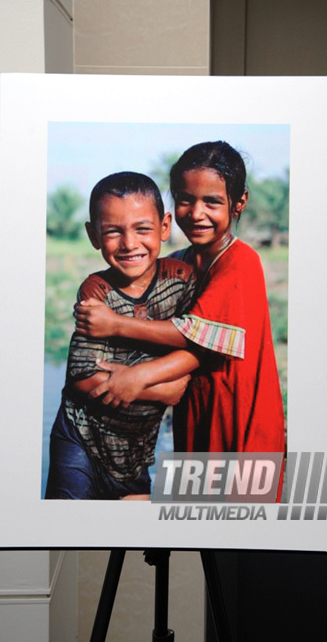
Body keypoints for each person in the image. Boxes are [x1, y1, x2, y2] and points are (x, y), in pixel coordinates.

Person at [75, 142, 285, 463]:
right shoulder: (180, 263)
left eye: (212, 202)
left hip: (237, 416)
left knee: (240, 504)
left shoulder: (241, 262)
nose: (197, 213)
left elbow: (195, 337)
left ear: (239, 202)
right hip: (196, 413)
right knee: (196, 505)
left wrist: (122, 339)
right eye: (186, 200)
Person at [45, 171, 199, 500]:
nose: (129, 244)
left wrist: (137, 377)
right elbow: (82, 378)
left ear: (164, 226)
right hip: (80, 441)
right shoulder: (97, 290)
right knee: (67, 530)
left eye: (142, 228)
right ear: (93, 235)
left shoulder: (182, 281)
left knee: (136, 539)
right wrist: (162, 390)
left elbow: (196, 342)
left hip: (135, 454)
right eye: (113, 232)